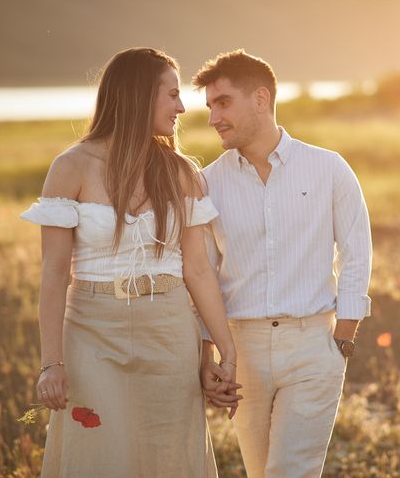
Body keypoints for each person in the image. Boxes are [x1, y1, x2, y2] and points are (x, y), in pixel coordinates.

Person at [20, 47, 240, 478]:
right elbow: (53, 273)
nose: (181, 107)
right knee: (97, 456)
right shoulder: (71, 167)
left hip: (169, 330)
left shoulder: (180, 172)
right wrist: (52, 362)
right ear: (139, 94)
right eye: (172, 94)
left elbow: (197, 270)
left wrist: (225, 350)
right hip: (91, 332)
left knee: (170, 453)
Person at [193, 50, 372, 478]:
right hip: (242, 352)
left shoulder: (329, 169)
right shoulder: (208, 182)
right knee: (261, 472)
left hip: (312, 346)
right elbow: (203, 275)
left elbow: (357, 253)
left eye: (223, 102)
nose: (214, 117)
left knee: (290, 471)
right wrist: (208, 354)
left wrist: (342, 341)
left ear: (260, 98)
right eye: (209, 107)